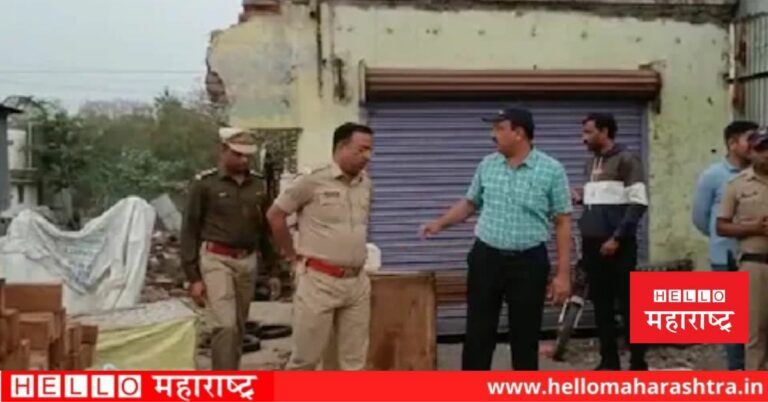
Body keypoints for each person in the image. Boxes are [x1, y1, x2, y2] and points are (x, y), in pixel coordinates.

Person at [420, 108, 572, 371]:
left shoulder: (551, 170)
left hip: (528, 262)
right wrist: (440, 223)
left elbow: (562, 222)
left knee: (525, 335)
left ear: (519, 133)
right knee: (478, 332)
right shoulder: (488, 165)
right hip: (486, 258)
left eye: (500, 128)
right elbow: (470, 203)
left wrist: (563, 275)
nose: (493, 135)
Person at [267, 122, 374, 370]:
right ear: (342, 147)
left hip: (357, 283)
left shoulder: (365, 184)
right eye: (361, 150)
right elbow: (275, 215)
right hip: (319, 281)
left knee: (353, 363)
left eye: (370, 150)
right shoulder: (312, 180)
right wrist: (291, 256)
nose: (367, 156)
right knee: (305, 359)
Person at [180, 127, 267, 370]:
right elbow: (189, 230)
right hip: (216, 259)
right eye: (238, 154)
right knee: (224, 325)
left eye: (247, 155)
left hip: (247, 261)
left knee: (238, 327)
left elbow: (265, 229)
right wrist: (193, 277)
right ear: (223, 150)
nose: (244, 160)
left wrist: (273, 269)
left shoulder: (258, 184)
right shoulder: (205, 184)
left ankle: (231, 374)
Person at [574, 112, 648, 371]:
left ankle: (638, 363)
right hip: (592, 244)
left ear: (605, 132)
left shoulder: (627, 160)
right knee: (601, 304)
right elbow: (603, 199)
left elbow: (637, 203)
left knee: (629, 304)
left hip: (619, 245)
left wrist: (617, 237)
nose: (583, 139)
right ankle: (609, 361)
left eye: (589, 132)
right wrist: (581, 197)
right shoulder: (590, 164)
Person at [692, 120, 758, 370]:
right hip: (725, 258)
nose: (755, 145)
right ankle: (737, 371)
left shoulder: (760, 174)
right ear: (732, 143)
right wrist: (720, 238)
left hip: (757, 258)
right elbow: (700, 217)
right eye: (750, 139)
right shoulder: (714, 176)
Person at [717, 129, 768, 371]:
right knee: (755, 333)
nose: (766, 154)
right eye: (761, 149)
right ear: (751, 152)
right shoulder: (736, 185)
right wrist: (754, 228)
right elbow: (721, 226)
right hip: (754, 265)